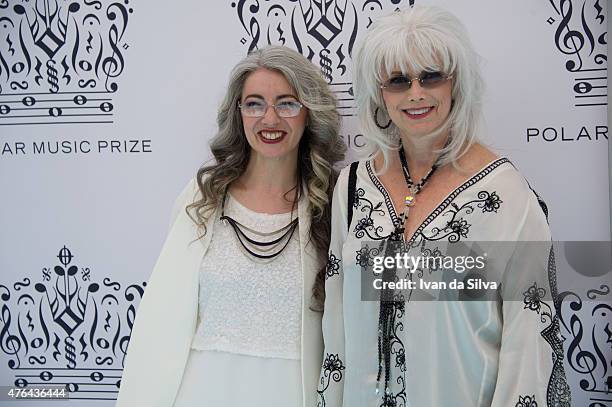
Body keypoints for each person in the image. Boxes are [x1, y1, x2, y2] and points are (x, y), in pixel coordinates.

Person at [317, 5, 571, 407]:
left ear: (457, 83)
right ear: (379, 94)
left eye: (431, 76)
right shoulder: (352, 186)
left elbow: (530, 342)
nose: (416, 93)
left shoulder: (506, 194)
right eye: (398, 81)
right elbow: (336, 329)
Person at [116, 45, 345, 407]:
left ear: (308, 114)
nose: (269, 119)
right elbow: (160, 318)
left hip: (294, 393)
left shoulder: (334, 202)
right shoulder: (203, 196)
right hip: (200, 392)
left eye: (286, 103)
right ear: (238, 114)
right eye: (254, 104)